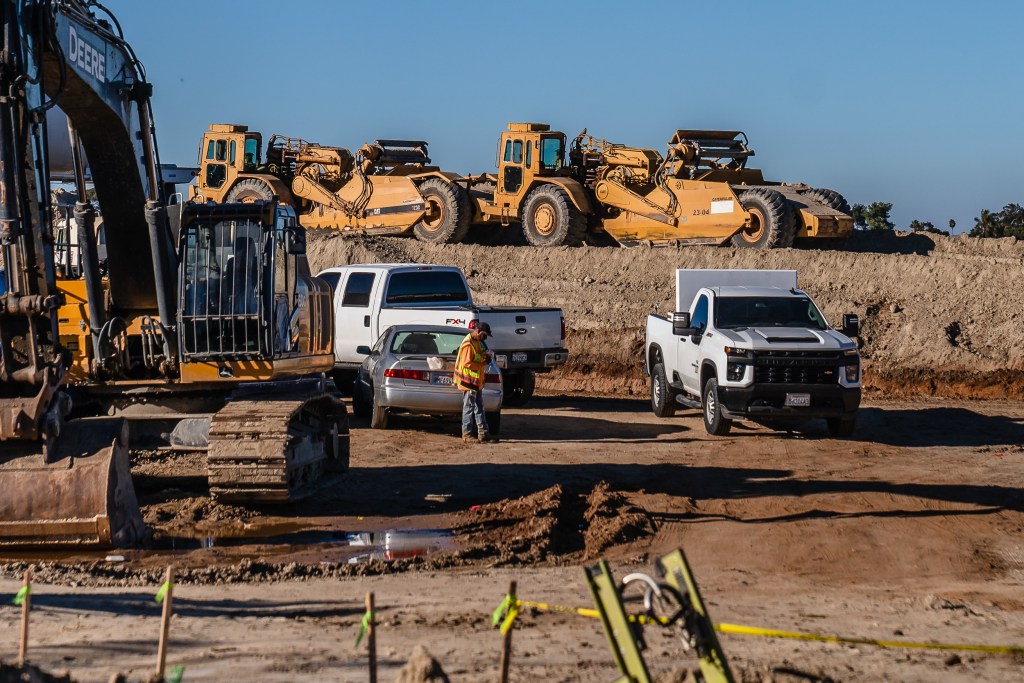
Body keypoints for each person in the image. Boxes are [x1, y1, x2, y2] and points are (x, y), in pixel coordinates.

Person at [455, 322, 496, 443]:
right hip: (468, 382)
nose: (485, 338)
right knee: (469, 407)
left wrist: (485, 356)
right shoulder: (468, 344)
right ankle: (467, 434)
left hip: (475, 381)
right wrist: (483, 363)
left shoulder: (476, 342)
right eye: (484, 335)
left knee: (479, 407)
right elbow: (467, 364)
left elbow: (477, 356)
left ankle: (483, 433)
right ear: (478, 331)